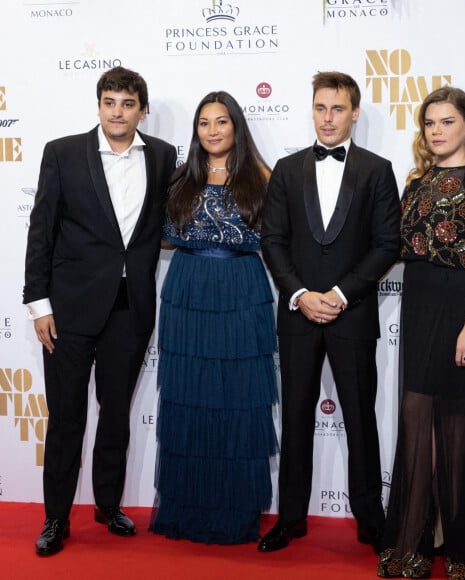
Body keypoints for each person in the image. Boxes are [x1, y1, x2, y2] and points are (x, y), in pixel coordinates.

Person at [23, 66, 176, 556]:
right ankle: (55, 519)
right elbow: (41, 230)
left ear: (142, 110)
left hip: (129, 310)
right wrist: (38, 303)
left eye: (128, 103)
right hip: (67, 311)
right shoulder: (63, 153)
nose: (118, 111)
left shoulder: (165, 157)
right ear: (98, 106)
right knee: (66, 418)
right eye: (110, 101)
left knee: (115, 415)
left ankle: (108, 505)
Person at [258, 71, 401, 553]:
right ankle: (290, 518)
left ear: (355, 112)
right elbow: (272, 241)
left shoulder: (377, 170)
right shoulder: (287, 167)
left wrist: (340, 294)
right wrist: (300, 294)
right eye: (320, 107)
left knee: (361, 418)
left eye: (338, 109)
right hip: (297, 316)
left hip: (353, 314)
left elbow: (387, 245)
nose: (328, 118)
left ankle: (371, 521)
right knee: (295, 418)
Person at [378, 87, 465, 579]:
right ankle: (413, 541)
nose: (437, 131)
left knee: (456, 426)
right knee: (416, 422)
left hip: (460, 309)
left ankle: (461, 548)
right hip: (419, 310)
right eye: (430, 122)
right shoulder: (418, 181)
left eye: (447, 121)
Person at [149, 91, 278, 544]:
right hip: (187, 289)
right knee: (189, 398)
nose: (213, 131)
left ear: (236, 126)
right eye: (204, 123)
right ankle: (188, 511)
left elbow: (279, 240)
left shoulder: (262, 176)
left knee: (237, 400)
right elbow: (162, 238)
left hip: (242, 289)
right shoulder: (181, 176)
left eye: (221, 121)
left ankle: (234, 512)